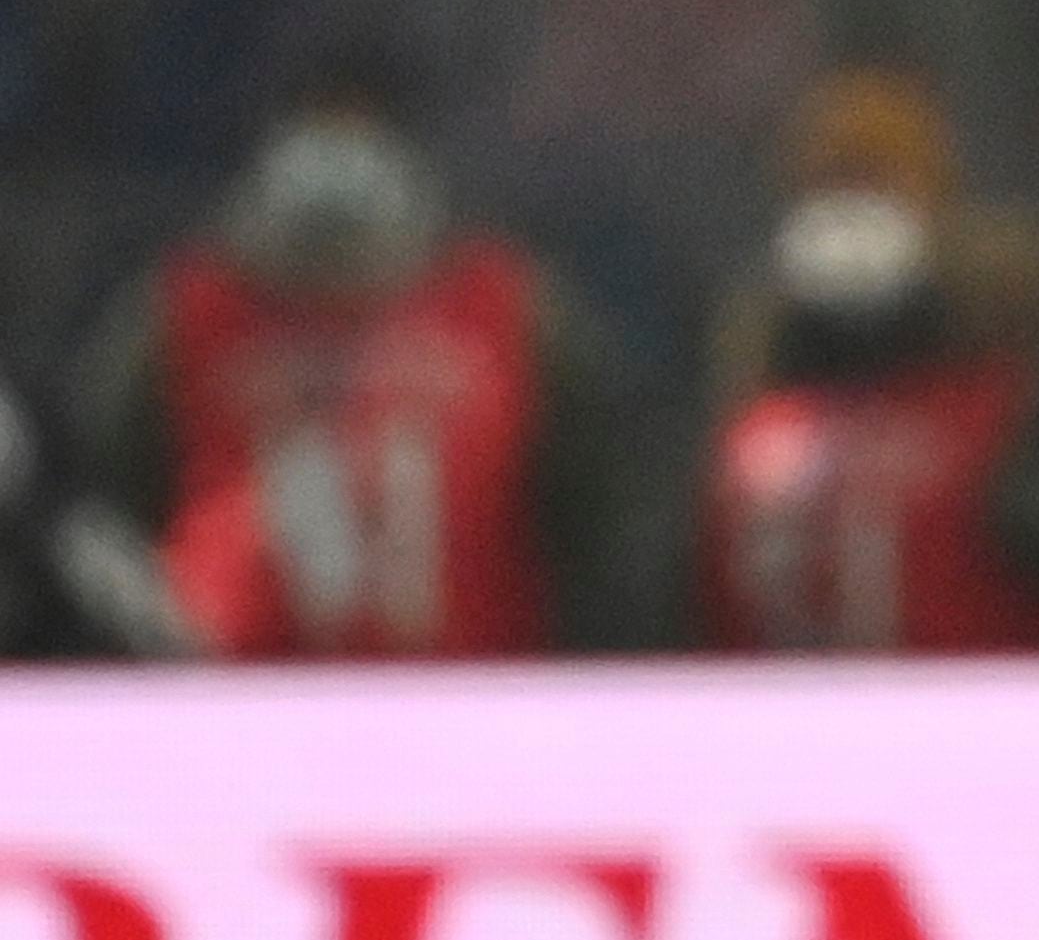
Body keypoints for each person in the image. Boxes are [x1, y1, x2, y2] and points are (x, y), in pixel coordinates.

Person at [70, 62, 648, 658]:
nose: (337, 168)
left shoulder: (510, 310)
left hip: (471, 694)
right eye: (319, 129)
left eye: (360, 133)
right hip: (227, 700)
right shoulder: (182, 316)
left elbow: (599, 517)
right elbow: (102, 512)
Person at [697, 67, 1039, 651]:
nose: (851, 216)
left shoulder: (1017, 387)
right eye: (832, 186)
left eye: (875, 184)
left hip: (984, 722)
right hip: (773, 727)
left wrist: (1016, 510)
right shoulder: (757, 398)